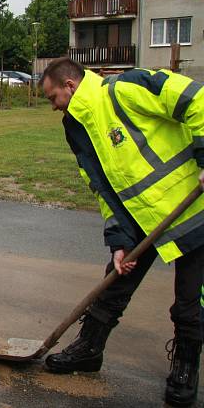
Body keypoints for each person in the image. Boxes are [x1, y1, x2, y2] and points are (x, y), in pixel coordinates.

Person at [41, 57, 204, 407]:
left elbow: (196, 98)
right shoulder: (77, 127)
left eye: (53, 98)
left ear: (70, 85)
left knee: (189, 304)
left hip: (192, 212)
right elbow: (101, 188)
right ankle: (89, 350)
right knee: (112, 286)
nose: (53, 107)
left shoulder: (126, 88)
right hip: (140, 222)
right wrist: (118, 240)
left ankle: (185, 370)